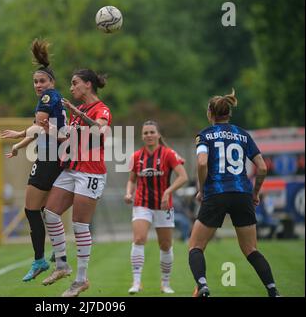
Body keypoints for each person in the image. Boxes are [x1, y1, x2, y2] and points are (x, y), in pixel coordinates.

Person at [190, 89, 280, 297]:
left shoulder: (205, 135)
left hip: (217, 193)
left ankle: (202, 286)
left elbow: (202, 162)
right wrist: (255, 193)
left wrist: (202, 189)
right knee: (251, 249)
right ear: (228, 113)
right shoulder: (242, 134)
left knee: (196, 246)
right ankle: (273, 291)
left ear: (211, 113)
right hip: (241, 194)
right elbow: (263, 167)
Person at [40, 68, 112, 297]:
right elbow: (69, 136)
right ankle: (62, 265)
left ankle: (81, 279)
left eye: (75, 83)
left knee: (80, 224)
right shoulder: (78, 109)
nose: (71, 88)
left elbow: (98, 130)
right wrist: (49, 130)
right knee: (50, 212)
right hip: (72, 169)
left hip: (91, 172)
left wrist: (74, 112)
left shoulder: (101, 109)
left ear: (88, 85)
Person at [1, 39, 67, 282]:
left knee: (31, 210)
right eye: (35, 82)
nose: (38, 85)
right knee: (45, 210)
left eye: (42, 81)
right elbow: (41, 127)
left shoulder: (48, 97)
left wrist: (22, 137)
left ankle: (40, 260)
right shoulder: (55, 98)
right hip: (55, 157)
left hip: (48, 158)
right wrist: (19, 142)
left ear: (51, 82)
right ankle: (56, 252)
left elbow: (39, 126)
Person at [124, 121, 188, 295]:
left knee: (166, 245)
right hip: (142, 203)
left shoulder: (168, 154)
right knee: (139, 238)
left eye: (152, 132)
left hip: (163, 205)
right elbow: (131, 179)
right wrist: (129, 193)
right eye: (145, 133)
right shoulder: (137, 156)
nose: (149, 135)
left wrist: (168, 191)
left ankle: (165, 283)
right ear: (142, 136)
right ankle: (136, 282)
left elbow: (183, 177)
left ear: (158, 135)